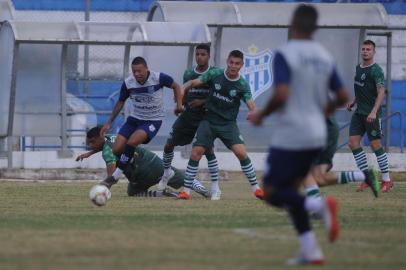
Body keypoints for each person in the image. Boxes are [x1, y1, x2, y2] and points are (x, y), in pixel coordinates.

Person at [250, 4, 346, 265]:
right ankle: (310, 250)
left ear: (292, 23)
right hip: (317, 133)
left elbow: (281, 93)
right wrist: (321, 112)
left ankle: (319, 206)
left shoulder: (285, 53)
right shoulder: (324, 56)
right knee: (291, 191)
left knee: (270, 191)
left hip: (292, 134)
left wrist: (262, 115)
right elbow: (343, 96)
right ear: (315, 27)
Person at [176, 50, 263, 200]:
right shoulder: (216, 74)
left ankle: (257, 189)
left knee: (241, 153)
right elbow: (194, 82)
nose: (233, 66)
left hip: (227, 124)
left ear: (242, 65)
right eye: (231, 62)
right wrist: (183, 88)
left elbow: (250, 103)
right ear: (227, 61)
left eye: (237, 63)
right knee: (196, 152)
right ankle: (186, 191)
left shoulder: (242, 84)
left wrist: (254, 112)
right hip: (209, 120)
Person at [99, 56, 183, 188]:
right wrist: (109, 122)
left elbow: (176, 86)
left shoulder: (158, 78)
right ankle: (131, 160)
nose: (137, 74)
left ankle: (115, 176)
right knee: (116, 149)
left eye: (140, 71)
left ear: (146, 69)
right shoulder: (128, 83)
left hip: (152, 120)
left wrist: (179, 104)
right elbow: (121, 102)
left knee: (132, 142)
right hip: (134, 119)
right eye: (134, 71)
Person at [76, 126, 209, 198]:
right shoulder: (112, 137)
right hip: (152, 161)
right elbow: (104, 146)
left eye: (92, 142)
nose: (91, 146)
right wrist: (89, 153)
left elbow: (112, 177)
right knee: (180, 177)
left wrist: (103, 188)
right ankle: (202, 189)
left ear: (100, 138)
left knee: (133, 193)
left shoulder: (107, 152)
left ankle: (161, 194)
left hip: (140, 174)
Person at [157, 44, 219, 194]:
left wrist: (202, 102)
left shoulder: (215, 73)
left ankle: (215, 186)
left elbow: (217, 97)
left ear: (209, 56)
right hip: (188, 116)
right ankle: (166, 173)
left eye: (203, 54)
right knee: (168, 145)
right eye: (197, 54)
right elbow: (185, 91)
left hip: (205, 117)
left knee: (208, 150)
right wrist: (180, 105)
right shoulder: (189, 73)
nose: (199, 57)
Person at [347, 39, 394, 193]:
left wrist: (374, 111)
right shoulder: (358, 68)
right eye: (364, 49)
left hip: (371, 114)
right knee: (353, 143)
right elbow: (361, 89)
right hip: (359, 112)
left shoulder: (376, 70)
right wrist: (353, 102)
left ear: (374, 52)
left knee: (375, 145)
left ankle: (387, 180)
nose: (365, 51)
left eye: (368, 49)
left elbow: (381, 91)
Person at [303, 116, 380, 201]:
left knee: (304, 172)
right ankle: (365, 175)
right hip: (322, 129)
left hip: (320, 130)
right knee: (317, 178)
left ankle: (317, 207)